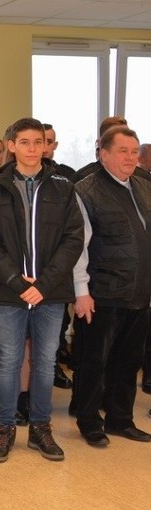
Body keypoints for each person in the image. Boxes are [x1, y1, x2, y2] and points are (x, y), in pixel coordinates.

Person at [0, 117, 83, 463]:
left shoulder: (63, 187)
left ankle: (40, 428)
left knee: (45, 361)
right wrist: (17, 282)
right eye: (25, 142)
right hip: (10, 292)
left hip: (50, 293)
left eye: (39, 142)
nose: (33, 149)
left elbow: (73, 239)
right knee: (8, 361)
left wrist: (45, 283)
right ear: (11, 146)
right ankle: (5, 428)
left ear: (47, 146)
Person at [73, 125, 151, 446]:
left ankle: (121, 419)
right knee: (94, 360)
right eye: (123, 151)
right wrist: (81, 292)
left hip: (139, 292)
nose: (130, 157)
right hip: (101, 293)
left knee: (129, 361)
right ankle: (90, 421)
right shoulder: (85, 191)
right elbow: (77, 247)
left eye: (134, 152)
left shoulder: (145, 187)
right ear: (103, 154)